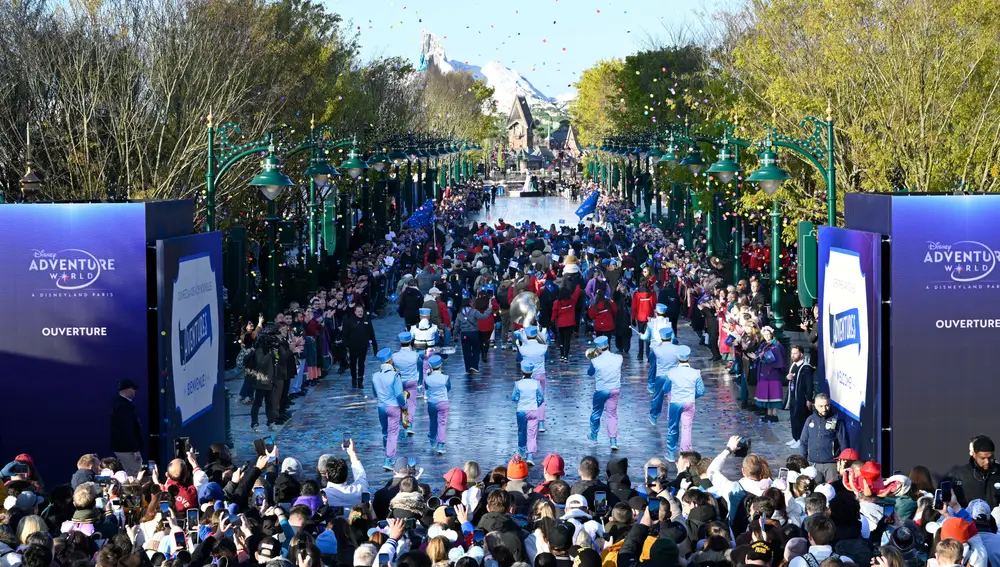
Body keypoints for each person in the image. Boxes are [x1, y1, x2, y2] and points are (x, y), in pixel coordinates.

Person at [662, 346, 705, 463]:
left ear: (677, 357)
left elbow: (665, 388)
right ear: (689, 357)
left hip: (675, 403)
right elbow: (701, 391)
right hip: (689, 403)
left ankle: (671, 453)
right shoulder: (696, 373)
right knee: (687, 429)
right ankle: (685, 455)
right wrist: (691, 396)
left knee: (673, 427)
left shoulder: (671, 373)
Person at [799, 393, 850, 483]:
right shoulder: (810, 419)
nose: (824, 409)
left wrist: (843, 463)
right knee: (816, 492)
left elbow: (844, 443)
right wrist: (803, 461)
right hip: (813, 464)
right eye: (821, 406)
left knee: (832, 490)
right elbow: (803, 442)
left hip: (831, 464)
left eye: (826, 406)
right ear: (815, 405)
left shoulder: (837, 420)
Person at [371, 348, 406, 471]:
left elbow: (375, 393)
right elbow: (399, 395)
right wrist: (404, 405)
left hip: (381, 406)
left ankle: (387, 452)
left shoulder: (375, 376)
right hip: (393, 406)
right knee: (393, 433)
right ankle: (388, 458)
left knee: (385, 431)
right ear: (390, 360)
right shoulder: (394, 375)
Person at [587, 336, 623, 450]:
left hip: (601, 390)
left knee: (596, 413)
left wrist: (592, 358)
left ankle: (594, 435)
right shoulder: (619, 358)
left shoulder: (595, 360)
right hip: (615, 389)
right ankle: (613, 441)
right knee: (612, 414)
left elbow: (590, 373)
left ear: (598, 348)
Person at [516, 325, 550, 432]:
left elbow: (519, 359)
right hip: (541, 374)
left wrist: (520, 341)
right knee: (541, 398)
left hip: (529, 376)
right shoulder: (543, 347)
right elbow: (547, 357)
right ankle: (541, 423)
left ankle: (528, 419)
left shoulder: (523, 349)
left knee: (528, 398)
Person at [951, 436, 1000, 507]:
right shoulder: (958, 476)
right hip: (967, 517)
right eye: (982, 458)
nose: (987, 462)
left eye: (990, 458)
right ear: (974, 454)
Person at [512, 361, 544, 465]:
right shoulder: (536, 383)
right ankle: (530, 456)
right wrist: (536, 404)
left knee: (521, 432)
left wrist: (520, 399)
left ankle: (522, 453)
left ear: (522, 370)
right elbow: (541, 398)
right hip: (533, 410)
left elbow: (514, 398)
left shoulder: (518, 384)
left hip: (521, 410)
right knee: (532, 433)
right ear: (532, 371)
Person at [753, 326, 787, 422]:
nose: (767, 336)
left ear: (772, 334)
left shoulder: (776, 345)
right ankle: (768, 413)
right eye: (765, 335)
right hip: (764, 373)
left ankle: (774, 414)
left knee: (773, 393)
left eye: (768, 334)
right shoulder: (764, 344)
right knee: (767, 394)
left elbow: (776, 359)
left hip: (773, 374)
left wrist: (762, 357)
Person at [647, 327, 680, 425]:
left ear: (661, 337)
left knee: (658, 397)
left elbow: (651, 360)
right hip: (674, 376)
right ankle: (673, 416)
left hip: (661, 376)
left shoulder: (656, 349)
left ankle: (653, 416)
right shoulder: (677, 349)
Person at [110, 379, 143, 476]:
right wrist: (135, 449)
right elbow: (127, 429)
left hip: (123, 447)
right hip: (126, 448)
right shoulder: (123, 406)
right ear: (126, 390)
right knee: (134, 473)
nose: (135, 391)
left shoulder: (120, 404)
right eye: (133, 389)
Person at [342, 304, 379, 389]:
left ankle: (360, 380)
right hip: (353, 347)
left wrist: (375, 346)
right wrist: (346, 345)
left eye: (361, 311)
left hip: (363, 346)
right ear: (355, 312)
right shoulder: (349, 322)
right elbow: (344, 335)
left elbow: (371, 334)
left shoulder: (367, 321)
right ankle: (354, 379)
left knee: (361, 363)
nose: (360, 313)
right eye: (358, 311)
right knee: (353, 364)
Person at [453, 297, 492, 374]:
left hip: (464, 334)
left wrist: (455, 335)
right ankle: (474, 366)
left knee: (466, 352)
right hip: (474, 333)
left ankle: (468, 368)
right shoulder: (474, 312)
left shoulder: (459, 314)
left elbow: (456, 326)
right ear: (469, 303)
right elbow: (483, 317)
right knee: (476, 350)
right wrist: (489, 309)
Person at [786, 345, 815, 450]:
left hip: (802, 397)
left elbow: (809, 384)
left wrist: (808, 399)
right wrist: (788, 378)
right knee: (793, 418)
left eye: (795, 353)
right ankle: (795, 437)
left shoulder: (806, 368)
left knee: (800, 419)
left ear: (801, 354)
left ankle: (801, 440)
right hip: (794, 396)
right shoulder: (794, 365)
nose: (793, 355)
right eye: (792, 353)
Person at [392, 332, 420, 436]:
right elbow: (420, 366)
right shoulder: (415, 355)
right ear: (410, 342)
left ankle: (402, 421)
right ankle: (409, 424)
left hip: (399, 382)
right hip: (412, 381)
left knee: (400, 402)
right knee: (411, 403)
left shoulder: (394, 356)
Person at [423, 355, 451, 455]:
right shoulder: (445, 378)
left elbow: (426, 388)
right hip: (443, 402)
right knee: (442, 423)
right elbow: (448, 388)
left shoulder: (427, 379)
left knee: (433, 421)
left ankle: (431, 437)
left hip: (432, 403)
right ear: (441, 365)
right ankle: (441, 445)